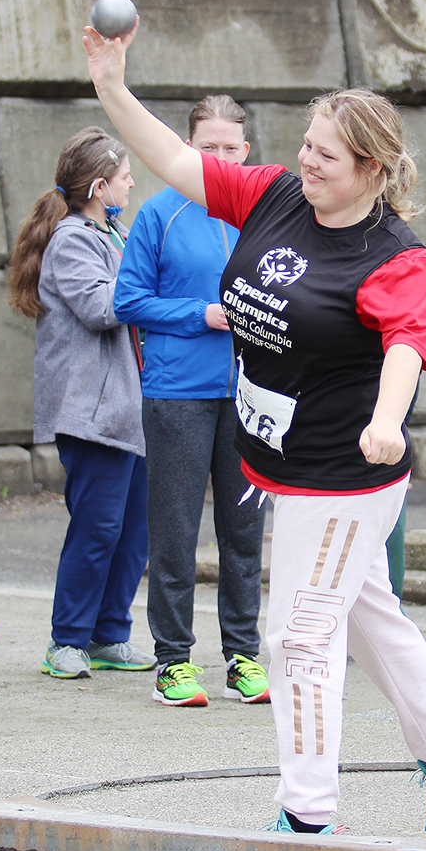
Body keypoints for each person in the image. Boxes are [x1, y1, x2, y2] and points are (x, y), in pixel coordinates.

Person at [84, 22, 426, 839]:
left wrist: (386, 423)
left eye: (327, 156)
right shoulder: (274, 196)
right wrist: (112, 87)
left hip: (346, 476)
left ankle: (307, 811)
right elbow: (173, 161)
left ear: (372, 171)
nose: (307, 162)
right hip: (280, 461)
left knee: (299, 634)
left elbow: (407, 347)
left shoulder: (395, 256)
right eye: (306, 145)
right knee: (365, 608)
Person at [113, 95, 269, 708]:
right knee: (174, 531)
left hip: (249, 395)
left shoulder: (267, 215)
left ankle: (244, 657)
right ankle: (172, 662)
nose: (221, 157)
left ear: (247, 153)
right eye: (209, 148)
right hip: (176, 393)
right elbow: (127, 301)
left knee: (244, 531)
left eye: (232, 148)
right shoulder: (159, 214)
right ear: (187, 149)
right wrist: (200, 315)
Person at [8, 127, 157, 680]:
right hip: (94, 414)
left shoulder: (112, 233)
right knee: (96, 529)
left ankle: (108, 635)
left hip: (129, 411)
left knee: (132, 531)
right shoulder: (73, 238)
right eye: (123, 177)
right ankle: (67, 639)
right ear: (99, 186)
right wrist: (152, 289)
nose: (132, 183)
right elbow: (101, 307)